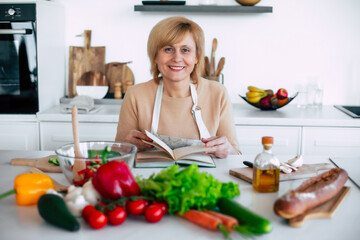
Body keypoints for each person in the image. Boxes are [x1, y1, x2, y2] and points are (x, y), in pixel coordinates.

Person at [115, 16, 240, 159]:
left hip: (205, 178)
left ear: (197, 57)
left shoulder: (218, 93)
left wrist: (227, 150)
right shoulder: (135, 95)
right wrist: (126, 146)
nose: (177, 58)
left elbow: (235, 153)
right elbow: (117, 155)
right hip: (152, 178)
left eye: (185, 50)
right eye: (168, 49)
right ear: (155, 56)